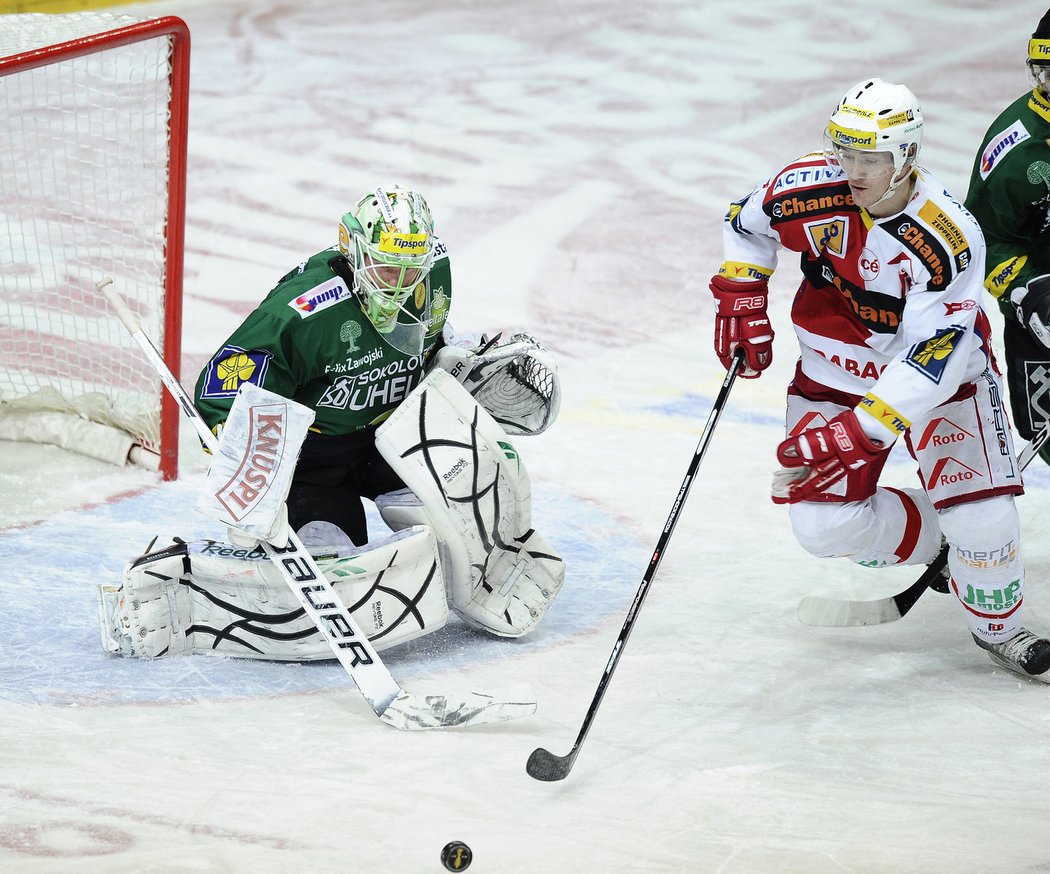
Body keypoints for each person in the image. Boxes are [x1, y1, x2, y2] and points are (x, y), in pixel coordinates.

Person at [97, 185, 565, 661]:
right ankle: (200, 596)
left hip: (398, 437)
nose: (401, 283)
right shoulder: (303, 312)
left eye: (411, 270)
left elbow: (430, 341)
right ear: (354, 249)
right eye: (386, 268)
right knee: (333, 576)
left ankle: (480, 576)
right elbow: (222, 389)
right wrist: (245, 462)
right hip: (314, 458)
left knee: (465, 523)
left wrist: (456, 359)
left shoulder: (436, 270)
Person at [710, 78, 1050, 682]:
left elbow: (931, 357)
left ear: (908, 157)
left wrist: (862, 430)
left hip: (946, 383)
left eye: (872, 158)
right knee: (823, 528)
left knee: (987, 518)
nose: (854, 171)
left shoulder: (946, 237)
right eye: (846, 153)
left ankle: (999, 626)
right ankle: (942, 537)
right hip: (831, 372)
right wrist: (741, 296)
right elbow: (747, 224)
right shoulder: (807, 188)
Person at [965, 9, 1050, 466]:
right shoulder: (1015, 150)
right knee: (1045, 428)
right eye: (1046, 72)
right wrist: (1031, 291)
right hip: (1044, 294)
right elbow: (983, 241)